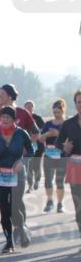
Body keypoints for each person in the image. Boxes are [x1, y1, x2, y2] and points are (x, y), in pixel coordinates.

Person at [0, 107, 34, 253]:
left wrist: (22, 161)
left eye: (8, 117)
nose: (4, 119)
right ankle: (9, 242)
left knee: (14, 206)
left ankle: (21, 227)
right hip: (0, 175)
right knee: (4, 210)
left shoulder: (21, 133)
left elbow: (31, 151)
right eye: (3, 117)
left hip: (17, 175)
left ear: (14, 119)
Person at [54, 89, 81, 252]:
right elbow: (58, 143)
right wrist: (65, 147)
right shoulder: (68, 124)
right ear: (75, 104)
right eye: (78, 102)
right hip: (75, 167)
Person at [41, 99, 68, 213]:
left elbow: (71, 140)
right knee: (48, 180)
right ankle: (49, 201)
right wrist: (48, 134)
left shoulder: (67, 124)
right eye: (54, 112)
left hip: (62, 156)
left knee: (59, 181)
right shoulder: (48, 124)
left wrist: (58, 134)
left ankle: (60, 204)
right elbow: (40, 138)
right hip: (49, 156)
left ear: (63, 111)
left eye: (58, 112)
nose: (56, 115)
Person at [23, 100, 45, 192]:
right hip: (27, 146)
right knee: (28, 166)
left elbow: (43, 130)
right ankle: (30, 185)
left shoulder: (38, 118)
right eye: (27, 107)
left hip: (38, 146)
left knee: (36, 165)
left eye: (31, 107)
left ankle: (37, 180)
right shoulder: (22, 118)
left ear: (33, 108)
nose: (29, 108)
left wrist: (36, 135)